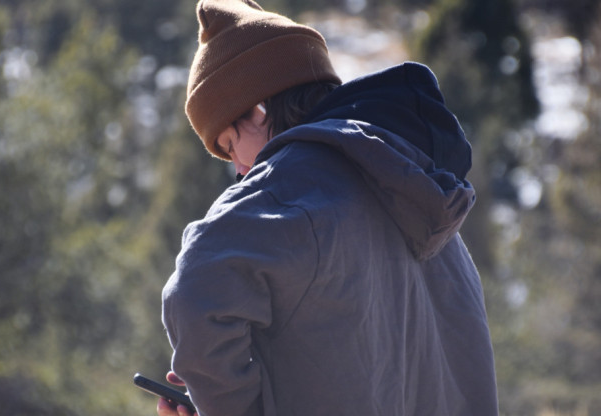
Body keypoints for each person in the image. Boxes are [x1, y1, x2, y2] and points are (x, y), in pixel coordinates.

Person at [158, 0, 499, 415]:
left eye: (231, 145)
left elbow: (196, 290)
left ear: (260, 107)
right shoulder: (431, 207)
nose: (239, 169)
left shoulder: (285, 194)